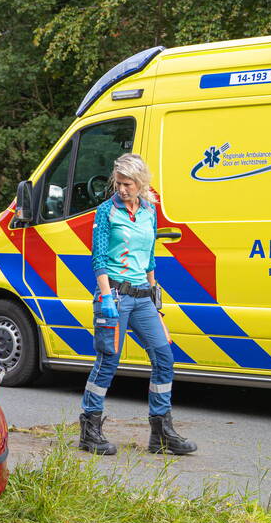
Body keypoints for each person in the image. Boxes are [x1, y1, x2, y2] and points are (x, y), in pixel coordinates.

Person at [79, 153, 196, 456]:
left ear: (141, 183)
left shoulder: (149, 211)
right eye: (118, 183)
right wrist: (105, 297)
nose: (122, 189)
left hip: (143, 296)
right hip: (115, 295)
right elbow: (99, 259)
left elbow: (150, 257)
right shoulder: (106, 212)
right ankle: (89, 431)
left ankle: (161, 432)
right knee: (108, 363)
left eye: (128, 184)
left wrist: (155, 293)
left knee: (164, 357)